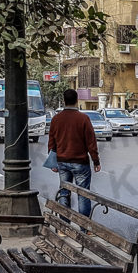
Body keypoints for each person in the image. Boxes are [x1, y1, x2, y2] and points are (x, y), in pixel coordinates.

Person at [47, 88, 101, 218]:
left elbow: (52, 142)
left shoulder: (56, 119)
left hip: (62, 162)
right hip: (80, 162)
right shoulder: (83, 119)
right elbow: (91, 142)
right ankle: (84, 228)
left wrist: (52, 162)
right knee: (83, 195)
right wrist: (96, 161)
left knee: (64, 192)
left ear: (64, 101)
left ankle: (64, 226)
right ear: (77, 101)